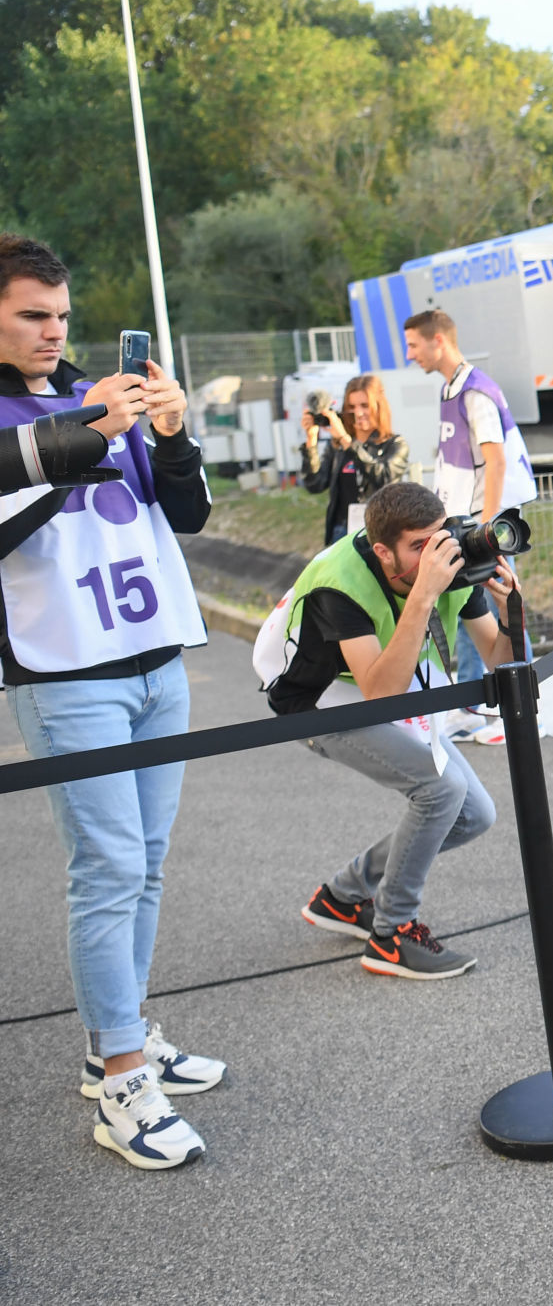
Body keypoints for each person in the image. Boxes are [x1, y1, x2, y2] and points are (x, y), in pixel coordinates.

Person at [0, 233, 223, 1171]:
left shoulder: (98, 389)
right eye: (31, 316)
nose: (53, 332)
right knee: (108, 866)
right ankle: (124, 1080)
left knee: (148, 863)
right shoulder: (51, 412)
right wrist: (92, 427)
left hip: (154, 660)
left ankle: (117, 1035)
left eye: (60, 314)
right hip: (68, 672)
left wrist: (168, 433)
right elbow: (23, 488)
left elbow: (191, 514)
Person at [269, 481, 515, 980]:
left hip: (386, 679)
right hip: (320, 700)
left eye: (439, 537)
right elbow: (381, 696)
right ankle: (391, 934)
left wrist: (510, 614)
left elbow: (497, 658)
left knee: (475, 814)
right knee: (440, 791)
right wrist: (423, 597)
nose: (436, 555)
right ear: (384, 551)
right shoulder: (339, 584)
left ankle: (341, 897)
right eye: (418, 547)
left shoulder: (451, 560)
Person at [401, 309, 535, 743]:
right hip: (464, 523)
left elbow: (495, 461)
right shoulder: (452, 388)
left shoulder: (476, 391)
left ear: (437, 340)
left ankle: (528, 712)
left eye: (414, 345)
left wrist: (489, 533)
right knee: (467, 611)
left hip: (482, 526)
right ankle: (472, 709)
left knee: (505, 610)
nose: (410, 355)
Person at [299, 375, 411, 546]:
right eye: (351, 407)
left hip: (380, 532)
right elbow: (315, 484)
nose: (358, 413)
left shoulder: (395, 444)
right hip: (342, 531)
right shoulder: (337, 446)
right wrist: (311, 442)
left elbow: (384, 478)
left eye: (364, 406)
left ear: (378, 406)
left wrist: (347, 441)